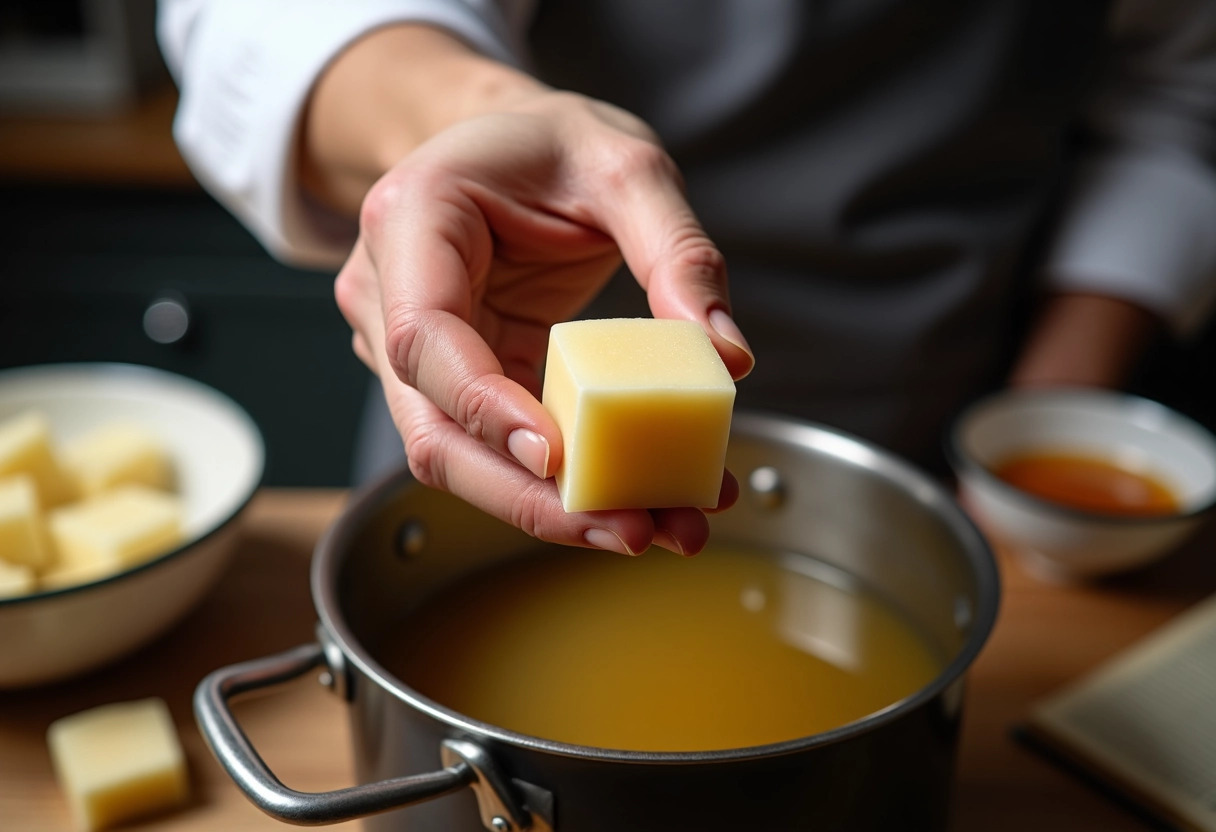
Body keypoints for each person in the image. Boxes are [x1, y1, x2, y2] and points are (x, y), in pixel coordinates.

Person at [158, 1, 1216, 557]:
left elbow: (1173, 96)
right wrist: (464, 117)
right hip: (502, 424)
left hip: (931, 450)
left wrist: (1043, 418)